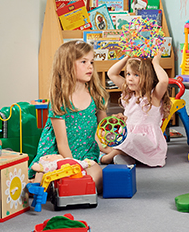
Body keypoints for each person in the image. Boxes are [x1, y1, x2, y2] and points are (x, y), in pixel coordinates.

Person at [31, 41, 107, 192]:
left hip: (86, 156)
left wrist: (116, 127)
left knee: (96, 180)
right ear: (67, 66)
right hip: (60, 155)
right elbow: (62, 144)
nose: (90, 66)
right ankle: (35, 181)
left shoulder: (96, 95)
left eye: (91, 61)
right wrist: (74, 165)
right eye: (83, 62)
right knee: (45, 182)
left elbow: (103, 130)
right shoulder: (60, 100)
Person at [103, 54, 170, 167]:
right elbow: (111, 73)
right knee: (104, 134)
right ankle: (125, 156)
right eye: (128, 74)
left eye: (136, 75)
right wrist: (126, 57)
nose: (129, 78)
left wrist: (156, 63)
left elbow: (163, 81)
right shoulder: (129, 93)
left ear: (148, 77)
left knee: (130, 138)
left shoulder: (154, 96)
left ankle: (111, 155)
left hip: (147, 141)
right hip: (127, 135)